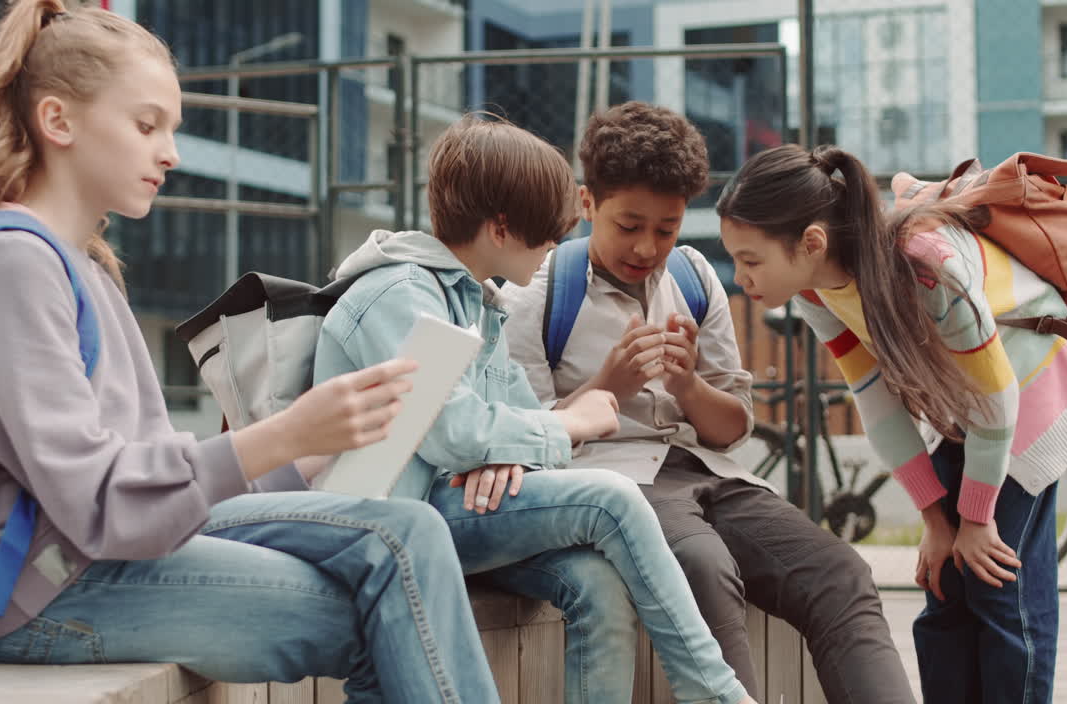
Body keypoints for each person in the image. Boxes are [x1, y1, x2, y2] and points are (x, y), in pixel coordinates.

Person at [0, 0, 502, 701]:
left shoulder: (85, 266)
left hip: (98, 551)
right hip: (40, 588)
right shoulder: (9, 265)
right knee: (391, 596)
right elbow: (99, 502)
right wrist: (284, 434)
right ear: (57, 120)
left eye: (171, 129)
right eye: (146, 125)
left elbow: (144, 482)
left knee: (409, 531)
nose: (169, 153)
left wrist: (309, 454)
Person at [313, 113, 755, 704]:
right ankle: (718, 693)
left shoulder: (475, 303)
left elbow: (512, 425)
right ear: (501, 229)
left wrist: (509, 452)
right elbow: (454, 433)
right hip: (392, 521)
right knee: (613, 497)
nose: (555, 250)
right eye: (548, 235)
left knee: (597, 583)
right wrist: (561, 425)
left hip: (456, 508)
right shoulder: (401, 294)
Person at [500, 101, 915, 704]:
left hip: (711, 473)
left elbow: (732, 429)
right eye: (628, 225)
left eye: (666, 229)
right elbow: (530, 443)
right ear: (587, 204)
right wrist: (610, 386)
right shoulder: (539, 293)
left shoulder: (693, 278)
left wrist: (688, 387)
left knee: (839, 572)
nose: (647, 246)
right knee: (704, 564)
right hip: (613, 483)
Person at [716, 143, 1067, 704]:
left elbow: (998, 396)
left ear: (812, 242)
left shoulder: (927, 268)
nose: (740, 277)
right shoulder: (815, 290)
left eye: (751, 260)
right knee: (945, 583)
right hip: (962, 408)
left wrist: (975, 518)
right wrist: (934, 519)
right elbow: (874, 399)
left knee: (1000, 593)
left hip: (1029, 395)